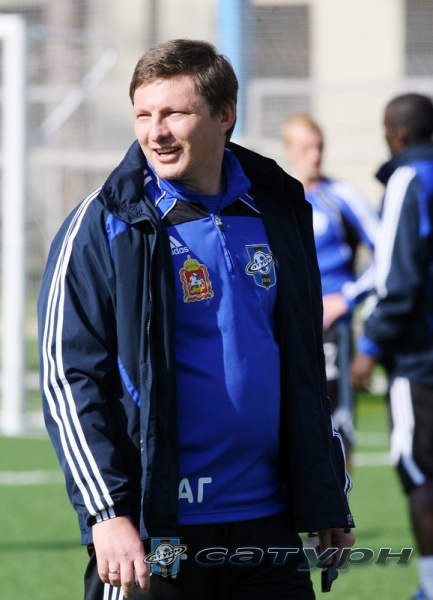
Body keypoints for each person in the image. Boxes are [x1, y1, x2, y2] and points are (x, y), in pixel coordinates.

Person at [38, 39, 354, 600]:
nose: (155, 132)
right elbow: (69, 375)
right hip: (158, 528)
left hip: (267, 524)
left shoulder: (279, 210)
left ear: (225, 114)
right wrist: (107, 513)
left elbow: (301, 362)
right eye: (143, 115)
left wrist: (325, 491)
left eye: (174, 113)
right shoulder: (105, 223)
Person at [351, 93, 433, 600]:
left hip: (421, 360)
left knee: (420, 472)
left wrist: (370, 345)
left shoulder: (409, 178)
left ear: (397, 134)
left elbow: (396, 275)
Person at [282, 114, 379, 461]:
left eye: (319, 147)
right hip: (286, 327)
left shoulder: (341, 196)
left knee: (336, 426)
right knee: (285, 424)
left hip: (331, 330)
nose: (315, 155)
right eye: (306, 148)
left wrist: (346, 298)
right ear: (289, 149)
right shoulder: (274, 198)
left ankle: (341, 494)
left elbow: (388, 253)